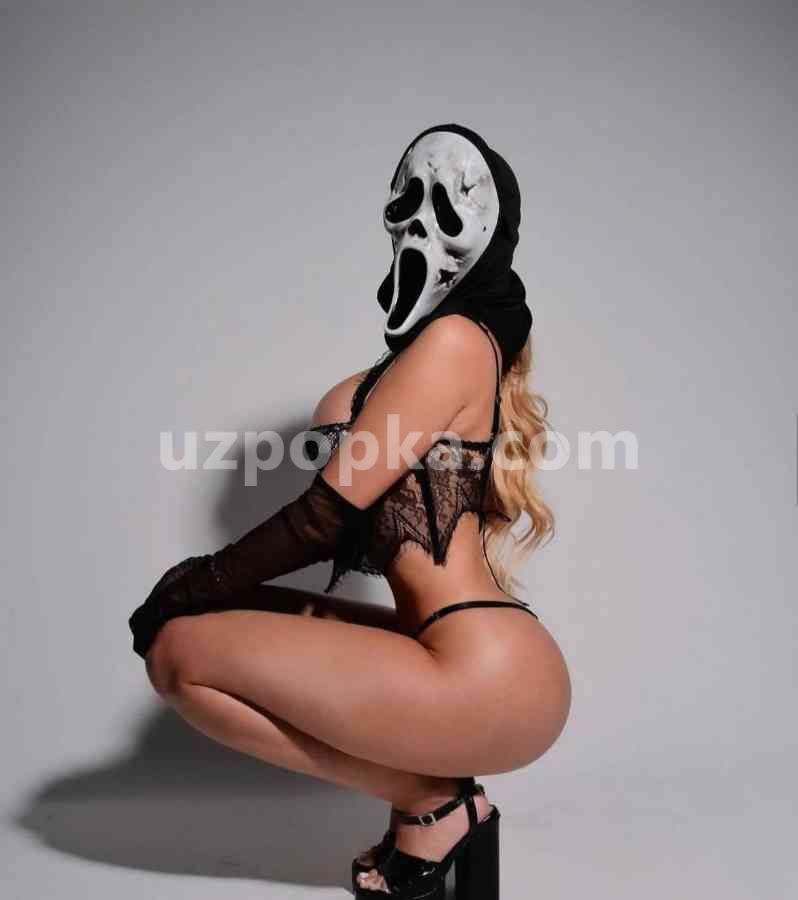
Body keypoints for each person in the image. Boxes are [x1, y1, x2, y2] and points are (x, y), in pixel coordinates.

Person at [128, 123, 571, 899]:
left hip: (486, 668)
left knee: (180, 650)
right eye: (407, 199)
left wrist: (194, 579)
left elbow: (323, 519)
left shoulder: (457, 341)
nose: (419, 221)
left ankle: (434, 805)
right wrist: (203, 589)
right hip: (447, 649)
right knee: (197, 632)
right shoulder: (424, 351)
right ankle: (437, 807)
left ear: (485, 230)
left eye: (447, 203)